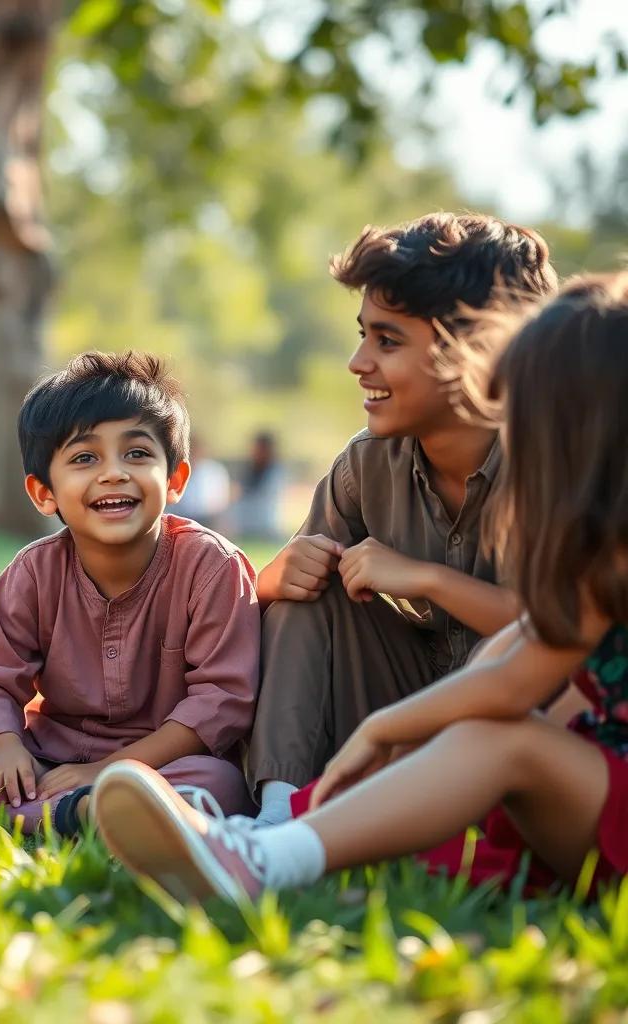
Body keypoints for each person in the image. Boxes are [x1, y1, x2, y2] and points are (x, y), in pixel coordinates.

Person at [91, 272, 628, 902]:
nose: (516, 434)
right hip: (585, 779)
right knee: (475, 732)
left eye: (530, 419)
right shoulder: (593, 549)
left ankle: (266, 858)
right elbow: (516, 653)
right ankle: (277, 825)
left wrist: (387, 727)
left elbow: (516, 683)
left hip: (588, 784)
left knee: (502, 738)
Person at [0, 352, 259, 833]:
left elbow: (222, 701)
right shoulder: (35, 572)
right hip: (44, 761)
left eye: (137, 453)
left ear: (175, 479)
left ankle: (52, 814)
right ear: (43, 493)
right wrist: (4, 747)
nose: (113, 473)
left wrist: (110, 770)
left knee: (218, 781)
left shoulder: (211, 566)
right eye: (85, 458)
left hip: (160, 765)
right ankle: (80, 814)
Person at [246, 212, 558, 826]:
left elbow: (566, 639)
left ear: (480, 353)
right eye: (363, 334)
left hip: (520, 731)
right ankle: (276, 819)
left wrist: (428, 579)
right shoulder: (367, 466)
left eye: (388, 341)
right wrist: (276, 577)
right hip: (400, 712)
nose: (359, 362)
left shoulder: (558, 469)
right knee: (307, 592)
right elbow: (279, 595)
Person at [228, 431, 287, 540]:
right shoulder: (248, 469)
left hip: (264, 525)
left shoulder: (275, 472)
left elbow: (262, 499)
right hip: (244, 525)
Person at [174, 438, 231, 532]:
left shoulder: (215, 470)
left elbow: (222, 500)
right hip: (184, 517)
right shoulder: (178, 470)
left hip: (210, 518)